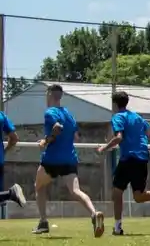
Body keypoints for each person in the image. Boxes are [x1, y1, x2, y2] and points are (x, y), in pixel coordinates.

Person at [96, 91, 150, 235]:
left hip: (129, 158)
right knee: (138, 196)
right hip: (142, 158)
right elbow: (148, 134)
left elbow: (118, 137)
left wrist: (104, 147)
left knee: (117, 191)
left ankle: (118, 227)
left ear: (114, 104)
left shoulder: (118, 117)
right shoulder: (137, 117)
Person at [33, 84, 105, 236]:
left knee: (39, 186)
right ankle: (94, 213)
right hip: (70, 158)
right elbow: (76, 136)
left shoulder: (50, 112)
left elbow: (57, 128)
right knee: (76, 191)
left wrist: (45, 141)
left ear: (49, 95)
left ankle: (43, 222)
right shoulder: (69, 114)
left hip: (52, 159)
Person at [0, 110, 25, 209]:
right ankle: (10, 194)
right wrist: (4, 151)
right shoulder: (1, 116)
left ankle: (11, 194)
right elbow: (14, 138)